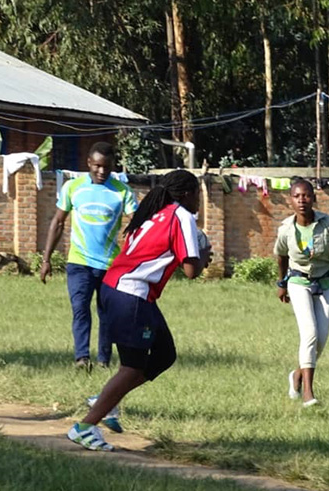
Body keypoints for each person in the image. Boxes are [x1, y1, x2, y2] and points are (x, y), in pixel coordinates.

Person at [67, 169, 211, 451]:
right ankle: (85, 426)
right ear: (186, 194)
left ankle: (106, 398)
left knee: (164, 354)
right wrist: (205, 255)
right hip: (130, 295)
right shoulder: (181, 215)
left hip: (121, 291)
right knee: (132, 367)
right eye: (197, 194)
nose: (199, 201)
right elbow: (192, 270)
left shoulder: (157, 212)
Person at [40, 142, 138, 370]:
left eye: (106, 167)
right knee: (80, 308)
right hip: (79, 262)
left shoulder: (122, 192)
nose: (101, 171)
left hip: (110, 265)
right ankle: (82, 358)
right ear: (88, 164)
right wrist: (46, 259)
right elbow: (58, 222)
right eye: (97, 166)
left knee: (107, 314)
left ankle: (103, 360)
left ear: (113, 166)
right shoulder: (73, 188)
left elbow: (137, 225)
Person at [275, 178, 329, 407]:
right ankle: (308, 392)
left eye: (306, 195)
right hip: (298, 281)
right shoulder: (286, 229)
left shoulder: (328, 224)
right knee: (309, 333)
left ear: (314, 198)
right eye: (297, 196)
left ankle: (297, 375)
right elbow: (281, 256)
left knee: (321, 339)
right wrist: (281, 284)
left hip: (325, 282)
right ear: (291, 200)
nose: (302, 200)